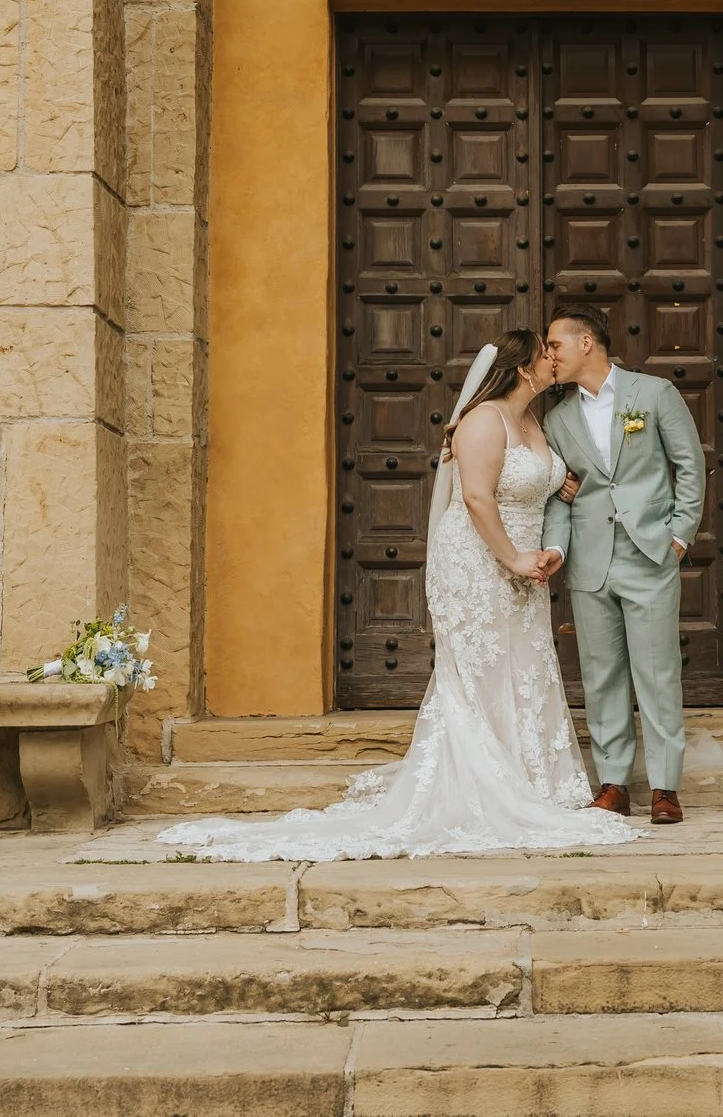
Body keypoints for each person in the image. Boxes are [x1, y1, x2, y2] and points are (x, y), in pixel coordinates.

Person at [156, 329, 635, 859]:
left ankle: (527, 783)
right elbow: (476, 497)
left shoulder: (533, 422)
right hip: (478, 562)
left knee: (522, 669)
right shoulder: (484, 420)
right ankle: (481, 791)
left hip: (525, 567)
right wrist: (512, 558)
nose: (554, 359)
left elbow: (541, 487)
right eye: (546, 353)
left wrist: (549, 529)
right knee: (477, 675)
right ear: (524, 367)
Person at [538, 306, 706, 825]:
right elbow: (560, 495)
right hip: (588, 562)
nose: (549, 356)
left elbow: (689, 466)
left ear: (586, 343)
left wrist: (679, 536)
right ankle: (613, 783)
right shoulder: (556, 418)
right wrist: (558, 550)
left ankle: (664, 787)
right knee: (601, 675)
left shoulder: (654, 396)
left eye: (555, 346)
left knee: (657, 674)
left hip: (650, 555)